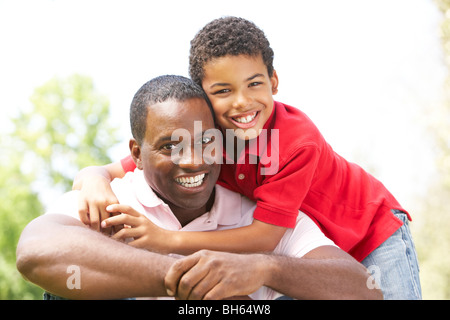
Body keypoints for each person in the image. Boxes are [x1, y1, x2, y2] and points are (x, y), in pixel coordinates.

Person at [73, 17, 421, 299]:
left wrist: (169, 241)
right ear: (203, 97)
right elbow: (130, 164)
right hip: (310, 250)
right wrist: (93, 178)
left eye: (254, 84)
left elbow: (264, 238)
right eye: (223, 91)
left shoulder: (296, 143)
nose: (241, 102)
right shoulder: (206, 139)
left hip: (371, 231)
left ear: (274, 81)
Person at [16, 75, 381, 300]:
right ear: (136, 154)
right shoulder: (111, 201)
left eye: (206, 141)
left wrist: (265, 269)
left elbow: (365, 290)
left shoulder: (259, 217)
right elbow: (35, 251)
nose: (193, 160)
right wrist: (183, 281)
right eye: (170, 146)